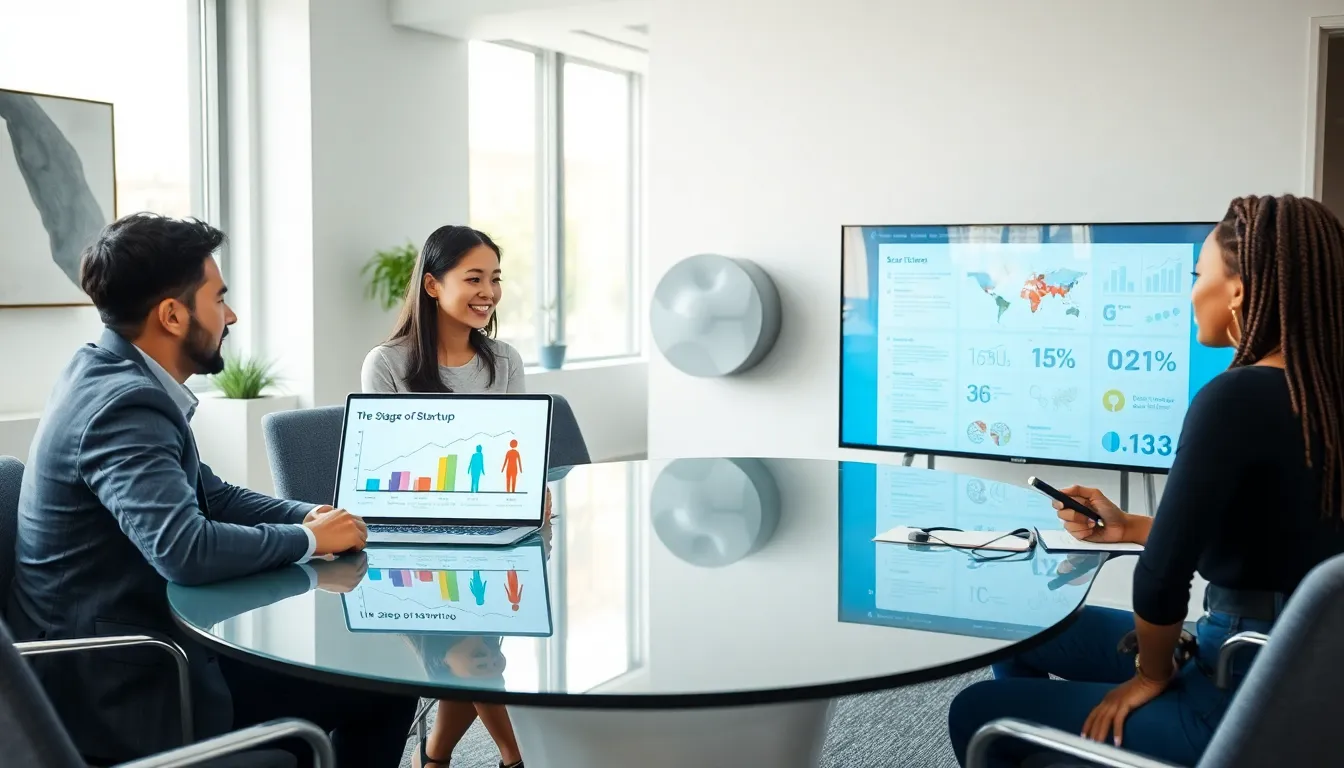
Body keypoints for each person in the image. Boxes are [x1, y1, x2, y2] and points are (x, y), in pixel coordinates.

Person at [3, 213, 417, 767]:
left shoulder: (106, 370)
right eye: (219, 298)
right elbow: (185, 550)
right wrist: (310, 540)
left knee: (364, 675)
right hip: (120, 687)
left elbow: (211, 495)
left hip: (129, 647)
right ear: (172, 315)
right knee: (379, 686)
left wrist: (310, 516)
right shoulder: (126, 406)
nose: (232, 315)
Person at [947, 194, 1344, 766]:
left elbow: (1161, 580)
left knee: (979, 711)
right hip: (1302, 675)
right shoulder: (1323, 395)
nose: (1191, 292)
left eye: (1198, 275)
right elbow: (1276, 541)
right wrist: (1130, 526)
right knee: (1024, 630)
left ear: (1237, 290)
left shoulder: (1235, 398)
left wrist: (1149, 676)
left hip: (1232, 690)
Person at [361, 225, 543, 768]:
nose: (489, 292)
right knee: (473, 646)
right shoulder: (387, 364)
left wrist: (531, 489)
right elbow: (389, 470)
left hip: (495, 528)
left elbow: (516, 446)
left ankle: (437, 756)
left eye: (495, 279)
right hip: (414, 539)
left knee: (470, 647)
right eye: (474, 279)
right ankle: (514, 756)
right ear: (433, 285)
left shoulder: (504, 360)